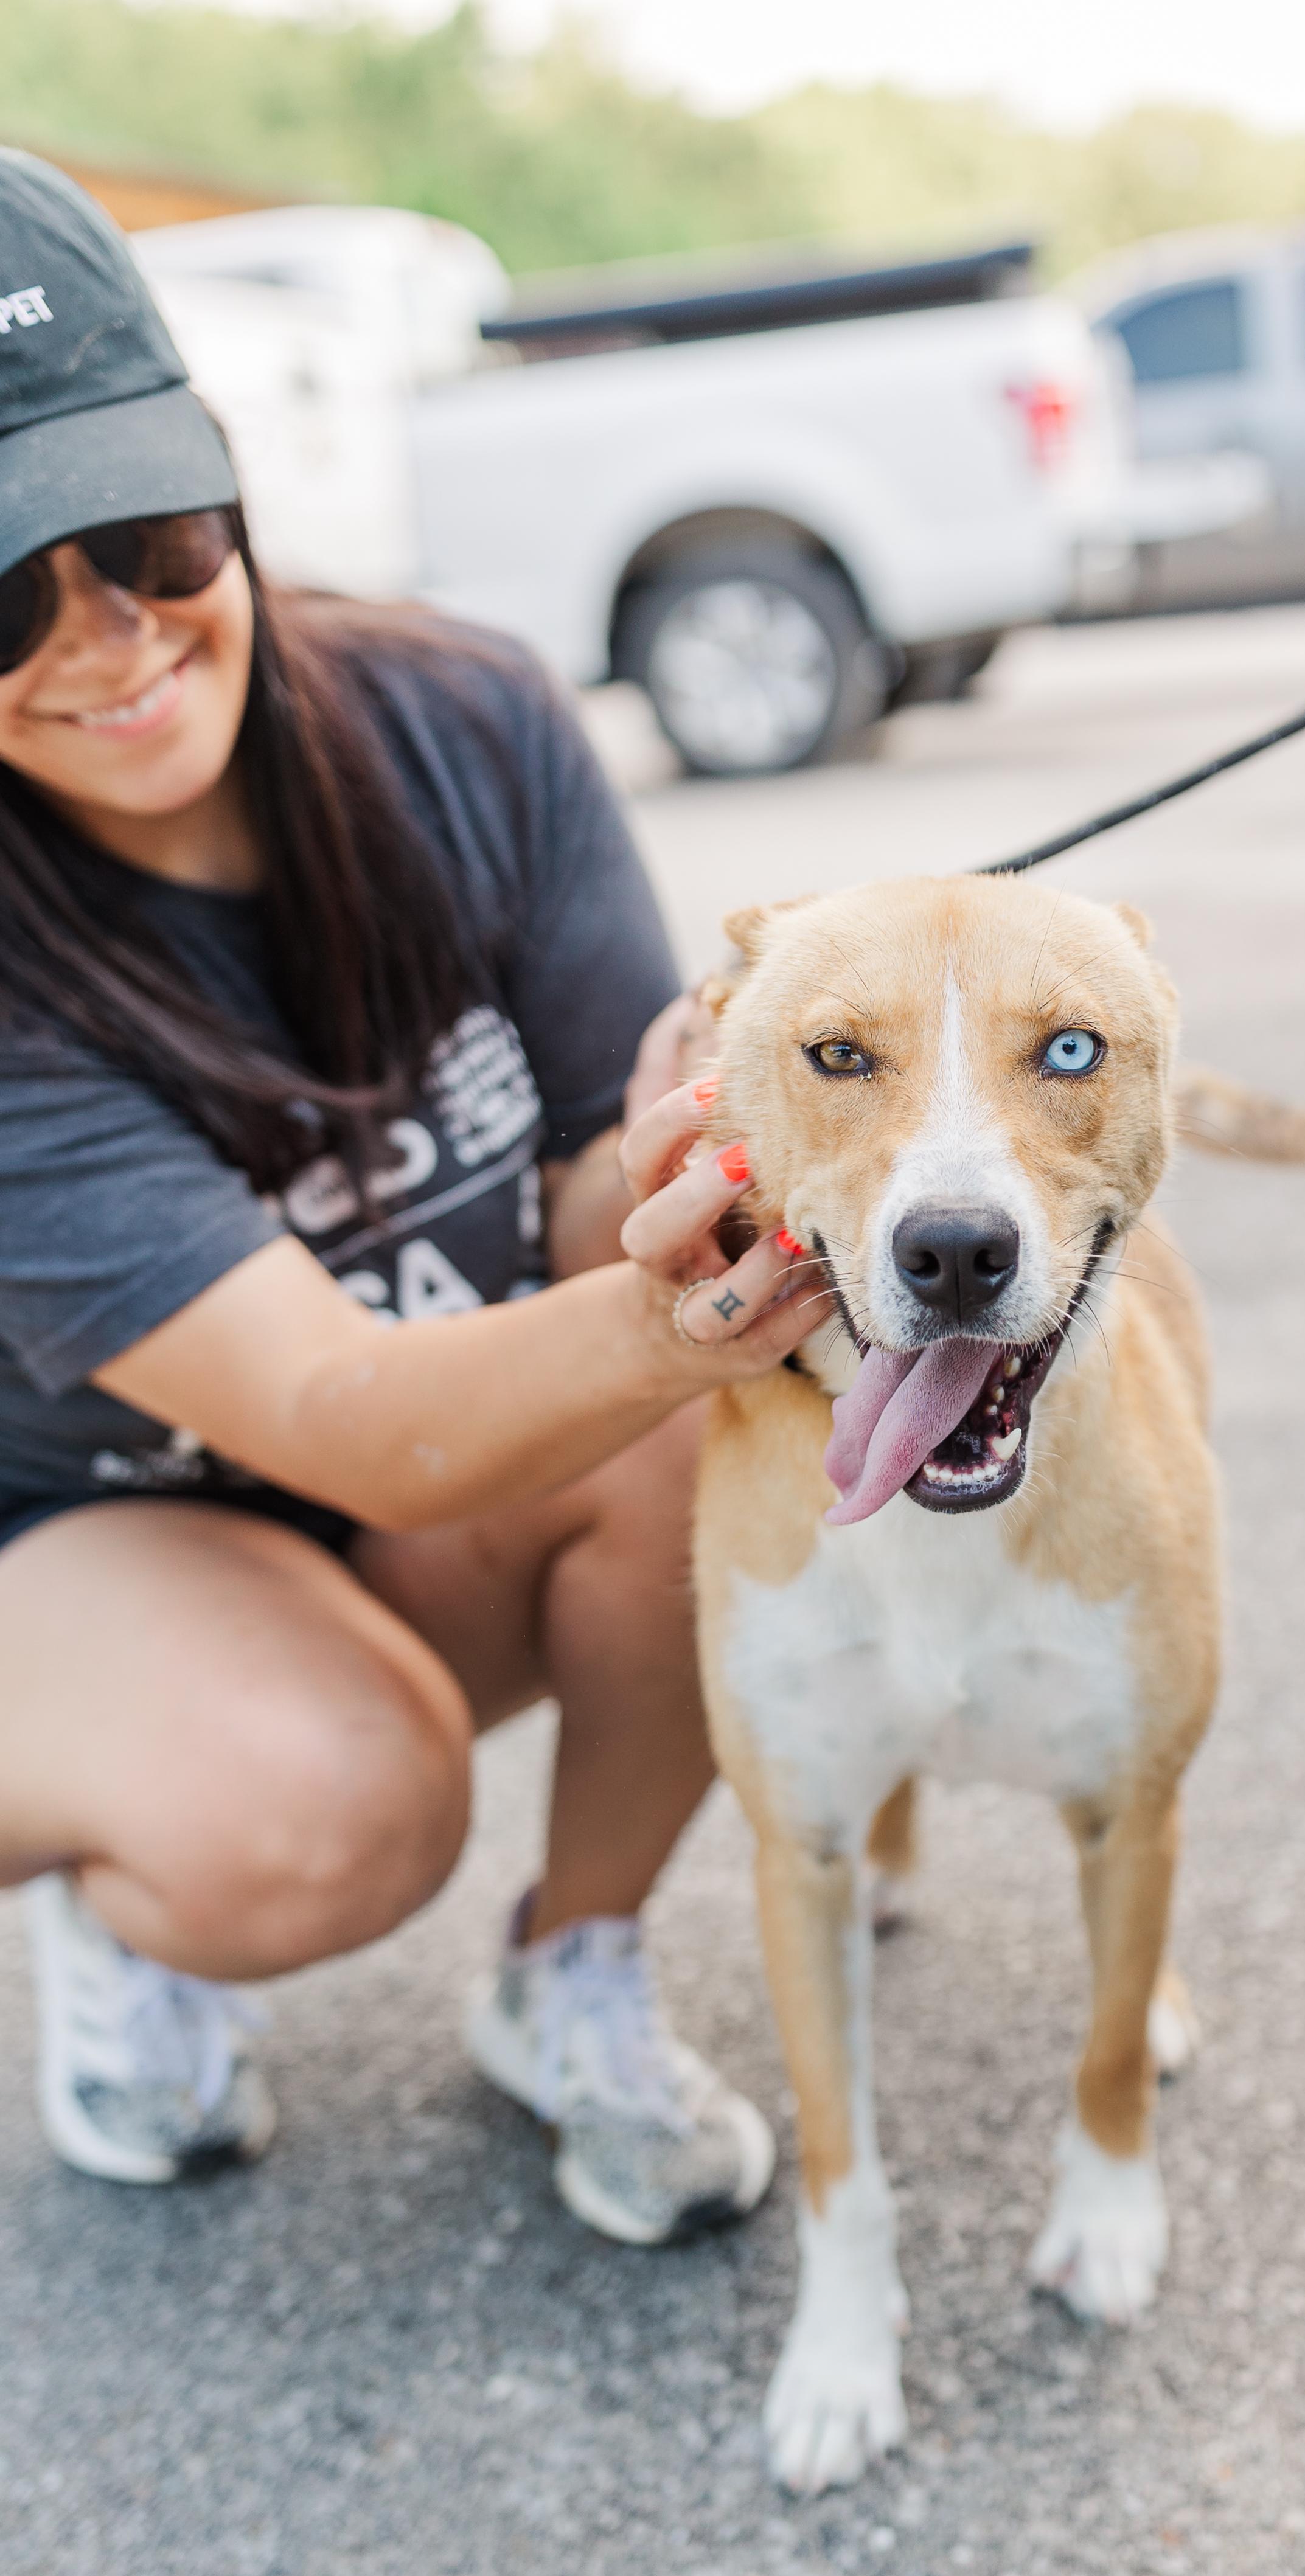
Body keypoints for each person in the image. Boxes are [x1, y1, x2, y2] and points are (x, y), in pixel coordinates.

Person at [0, 151, 829, 2237]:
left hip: (397, 1465)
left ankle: (579, 1967)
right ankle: (125, 1900)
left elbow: (581, 1216)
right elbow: (355, 1417)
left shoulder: (463, 718)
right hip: (78, 1534)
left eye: (150, 534)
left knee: (712, 1443)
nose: (110, 639)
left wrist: (681, 1182)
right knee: (330, 1805)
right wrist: (675, 1315)